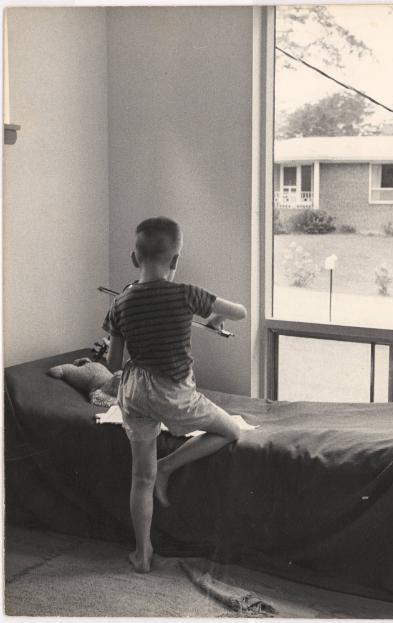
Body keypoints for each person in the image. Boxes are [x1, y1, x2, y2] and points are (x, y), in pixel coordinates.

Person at [103, 216, 247, 573]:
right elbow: (241, 313)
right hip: (172, 391)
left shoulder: (120, 303)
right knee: (231, 430)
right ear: (176, 260)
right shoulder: (186, 293)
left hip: (134, 391)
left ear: (134, 258)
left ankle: (142, 553)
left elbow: (113, 363)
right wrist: (214, 319)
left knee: (141, 478)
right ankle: (170, 466)